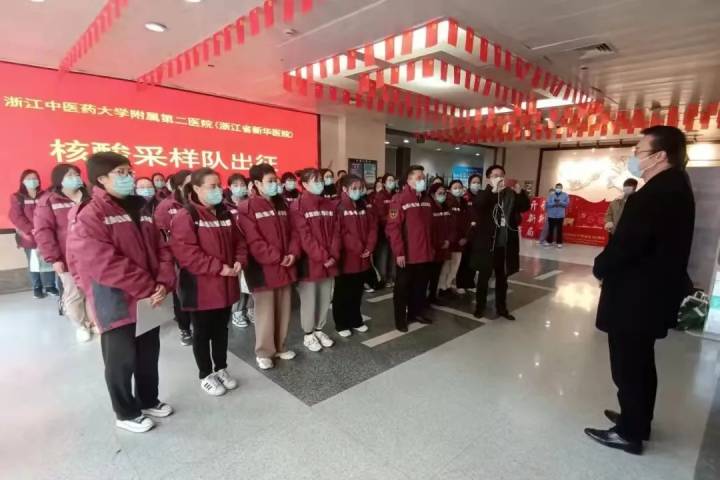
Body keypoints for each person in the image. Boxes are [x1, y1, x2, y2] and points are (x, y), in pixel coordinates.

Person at [585, 126, 695, 455]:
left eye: (639, 152)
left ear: (660, 155)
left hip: (636, 296)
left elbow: (629, 244)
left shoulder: (657, 193)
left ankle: (629, 433)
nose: (634, 157)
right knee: (641, 362)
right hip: (650, 294)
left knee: (628, 365)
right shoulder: (675, 186)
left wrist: (600, 265)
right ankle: (638, 419)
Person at [67, 152, 175, 433]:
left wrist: (164, 282)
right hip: (115, 300)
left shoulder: (142, 208)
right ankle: (125, 412)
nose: (129, 177)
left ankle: (148, 399)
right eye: (121, 173)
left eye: (130, 171)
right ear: (101, 179)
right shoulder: (90, 214)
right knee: (121, 360)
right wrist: (149, 287)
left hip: (150, 297)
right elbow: (104, 263)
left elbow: (162, 248)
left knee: (148, 354)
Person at [170, 168, 247, 396]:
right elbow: (187, 253)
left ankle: (221, 368)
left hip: (226, 284)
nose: (217, 190)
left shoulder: (225, 213)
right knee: (202, 333)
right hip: (201, 288)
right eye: (212, 186)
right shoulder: (186, 216)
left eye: (218, 185)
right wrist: (219, 268)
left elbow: (239, 242)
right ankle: (205, 374)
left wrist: (239, 260)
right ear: (196, 188)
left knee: (221, 330)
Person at [237, 164, 300, 370]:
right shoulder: (246, 208)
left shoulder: (282, 204)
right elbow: (254, 241)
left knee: (283, 310)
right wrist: (278, 257)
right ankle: (264, 352)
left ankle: (280, 347)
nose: (275, 184)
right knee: (265, 313)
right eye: (270, 181)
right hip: (263, 269)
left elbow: (294, 233)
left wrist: (292, 254)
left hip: (286, 266)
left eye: (276, 180)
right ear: (256, 183)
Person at [34, 164, 93, 342]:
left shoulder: (90, 196)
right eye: (70, 175)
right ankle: (81, 325)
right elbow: (44, 231)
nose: (75, 178)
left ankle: (93, 322)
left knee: (93, 292)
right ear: (59, 179)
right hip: (67, 257)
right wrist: (54, 258)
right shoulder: (49, 201)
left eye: (77, 174)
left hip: (93, 255)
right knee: (74, 293)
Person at [469, 165, 530, 320]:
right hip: (488, 245)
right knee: (483, 278)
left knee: (502, 279)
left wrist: (520, 192)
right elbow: (479, 205)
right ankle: (480, 307)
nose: (499, 178)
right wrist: (493, 191)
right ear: (489, 178)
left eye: (501, 175)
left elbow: (525, 207)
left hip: (505, 244)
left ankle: (502, 308)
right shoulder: (484, 193)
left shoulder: (510, 194)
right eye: (495, 175)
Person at [290, 168, 341, 352]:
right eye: (315, 180)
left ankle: (319, 330)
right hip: (310, 263)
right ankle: (308, 334)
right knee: (309, 300)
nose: (320, 183)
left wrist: (333, 255)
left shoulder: (329, 205)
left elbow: (336, 232)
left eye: (321, 179)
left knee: (325, 298)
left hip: (329, 262)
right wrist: (323, 257)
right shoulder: (297, 206)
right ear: (304, 184)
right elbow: (304, 237)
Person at [386, 165, 434, 332]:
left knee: (420, 286)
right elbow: (393, 228)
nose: (422, 181)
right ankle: (400, 319)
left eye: (423, 178)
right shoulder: (399, 199)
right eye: (419, 178)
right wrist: (399, 252)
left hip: (425, 253)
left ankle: (416, 313)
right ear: (409, 180)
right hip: (407, 254)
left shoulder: (427, 200)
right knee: (402, 288)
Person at [332, 174, 377, 337]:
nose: (358, 191)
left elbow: (373, 227)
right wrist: (359, 247)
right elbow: (341, 232)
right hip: (347, 257)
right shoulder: (338, 207)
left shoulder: (364, 205)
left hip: (363, 257)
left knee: (357, 291)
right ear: (345, 189)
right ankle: (341, 323)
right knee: (343, 292)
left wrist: (369, 247)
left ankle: (355, 319)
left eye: (360, 188)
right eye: (354, 188)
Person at [154, 170, 193, 346]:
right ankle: (184, 328)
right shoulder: (166, 206)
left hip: (197, 256)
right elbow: (160, 234)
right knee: (181, 294)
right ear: (178, 186)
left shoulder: (199, 203)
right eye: (188, 183)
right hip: (177, 258)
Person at [9, 169, 58, 299]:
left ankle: (50, 286)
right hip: (29, 236)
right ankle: (37, 287)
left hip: (46, 233)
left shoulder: (45, 195)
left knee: (49, 258)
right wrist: (31, 229)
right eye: (29, 179)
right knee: (33, 262)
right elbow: (16, 216)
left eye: (35, 178)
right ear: (23, 181)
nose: (32, 181)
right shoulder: (17, 197)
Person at [225, 173, 254, 329]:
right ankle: (237, 311)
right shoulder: (225, 206)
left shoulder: (251, 203)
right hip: (236, 251)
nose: (239, 187)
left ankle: (251, 309)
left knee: (252, 281)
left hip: (252, 248)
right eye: (235, 185)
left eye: (242, 184)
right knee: (239, 283)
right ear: (229, 187)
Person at [437, 180, 469, 296]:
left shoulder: (463, 203)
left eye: (460, 187)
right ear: (449, 190)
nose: (458, 189)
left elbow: (465, 222)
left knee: (455, 265)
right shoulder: (448, 202)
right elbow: (448, 223)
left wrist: (465, 237)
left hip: (460, 240)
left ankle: (448, 285)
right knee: (447, 265)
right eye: (455, 187)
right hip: (451, 240)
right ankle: (442, 287)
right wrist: (450, 239)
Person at [455, 173, 483, 293]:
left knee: (473, 259)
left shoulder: (482, 196)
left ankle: (470, 283)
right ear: (469, 183)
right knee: (464, 260)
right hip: (466, 233)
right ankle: (460, 284)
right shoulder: (465, 197)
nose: (476, 184)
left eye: (478, 182)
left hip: (478, 233)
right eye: (474, 182)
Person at [426, 183, 453, 305]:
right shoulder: (429, 207)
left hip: (444, 246)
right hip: (433, 246)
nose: (443, 195)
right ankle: (424, 297)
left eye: (444, 193)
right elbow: (429, 228)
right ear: (433, 194)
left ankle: (432, 296)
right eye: (440, 193)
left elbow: (451, 226)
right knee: (428, 274)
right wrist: (439, 243)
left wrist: (448, 240)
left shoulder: (446, 207)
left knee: (436, 274)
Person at [371, 173, 397, 287]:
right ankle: (382, 278)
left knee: (392, 255)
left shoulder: (395, 195)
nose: (392, 182)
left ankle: (391, 277)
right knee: (383, 255)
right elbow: (380, 214)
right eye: (389, 180)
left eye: (393, 180)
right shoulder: (380, 196)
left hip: (394, 230)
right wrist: (391, 220)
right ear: (384, 183)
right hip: (383, 231)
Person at [545, 182, 569, 248]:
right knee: (551, 229)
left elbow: (567, 204)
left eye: (559, 188)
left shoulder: (565, 195)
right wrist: (554, 203)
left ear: (561, 188)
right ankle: (549, 241)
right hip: (551, 215)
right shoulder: (551, 195)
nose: (558, 189)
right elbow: (547, 204)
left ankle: (559, 242)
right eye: (557, 188)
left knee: (559, 229)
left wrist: (560, 202)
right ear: (555, 188)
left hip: (560, 215)